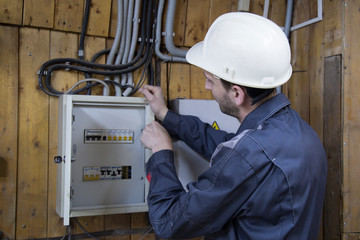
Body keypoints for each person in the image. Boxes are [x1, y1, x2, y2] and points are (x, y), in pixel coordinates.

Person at [140, 12, 327, 240]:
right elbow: (224, 144)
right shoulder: (299, 132)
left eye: (211, 80)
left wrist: (161, 152)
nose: (208, 86)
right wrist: (166, 115)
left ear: (237, 93)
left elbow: (168, 221)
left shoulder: (248, 153)